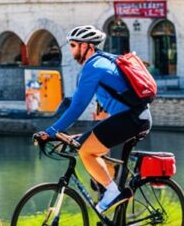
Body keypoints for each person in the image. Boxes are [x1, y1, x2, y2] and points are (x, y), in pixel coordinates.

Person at [35, 25, 152, 213]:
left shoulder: (94, 67)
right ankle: (112, 197)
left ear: (87, 46)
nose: (71, 50)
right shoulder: (103, 62)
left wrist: (50, 132)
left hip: (130, 120)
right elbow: (77, 100)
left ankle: (113, 192)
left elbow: (77, 108)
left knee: (86, 151)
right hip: (134, 117)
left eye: (73, 45)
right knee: (88, 145)